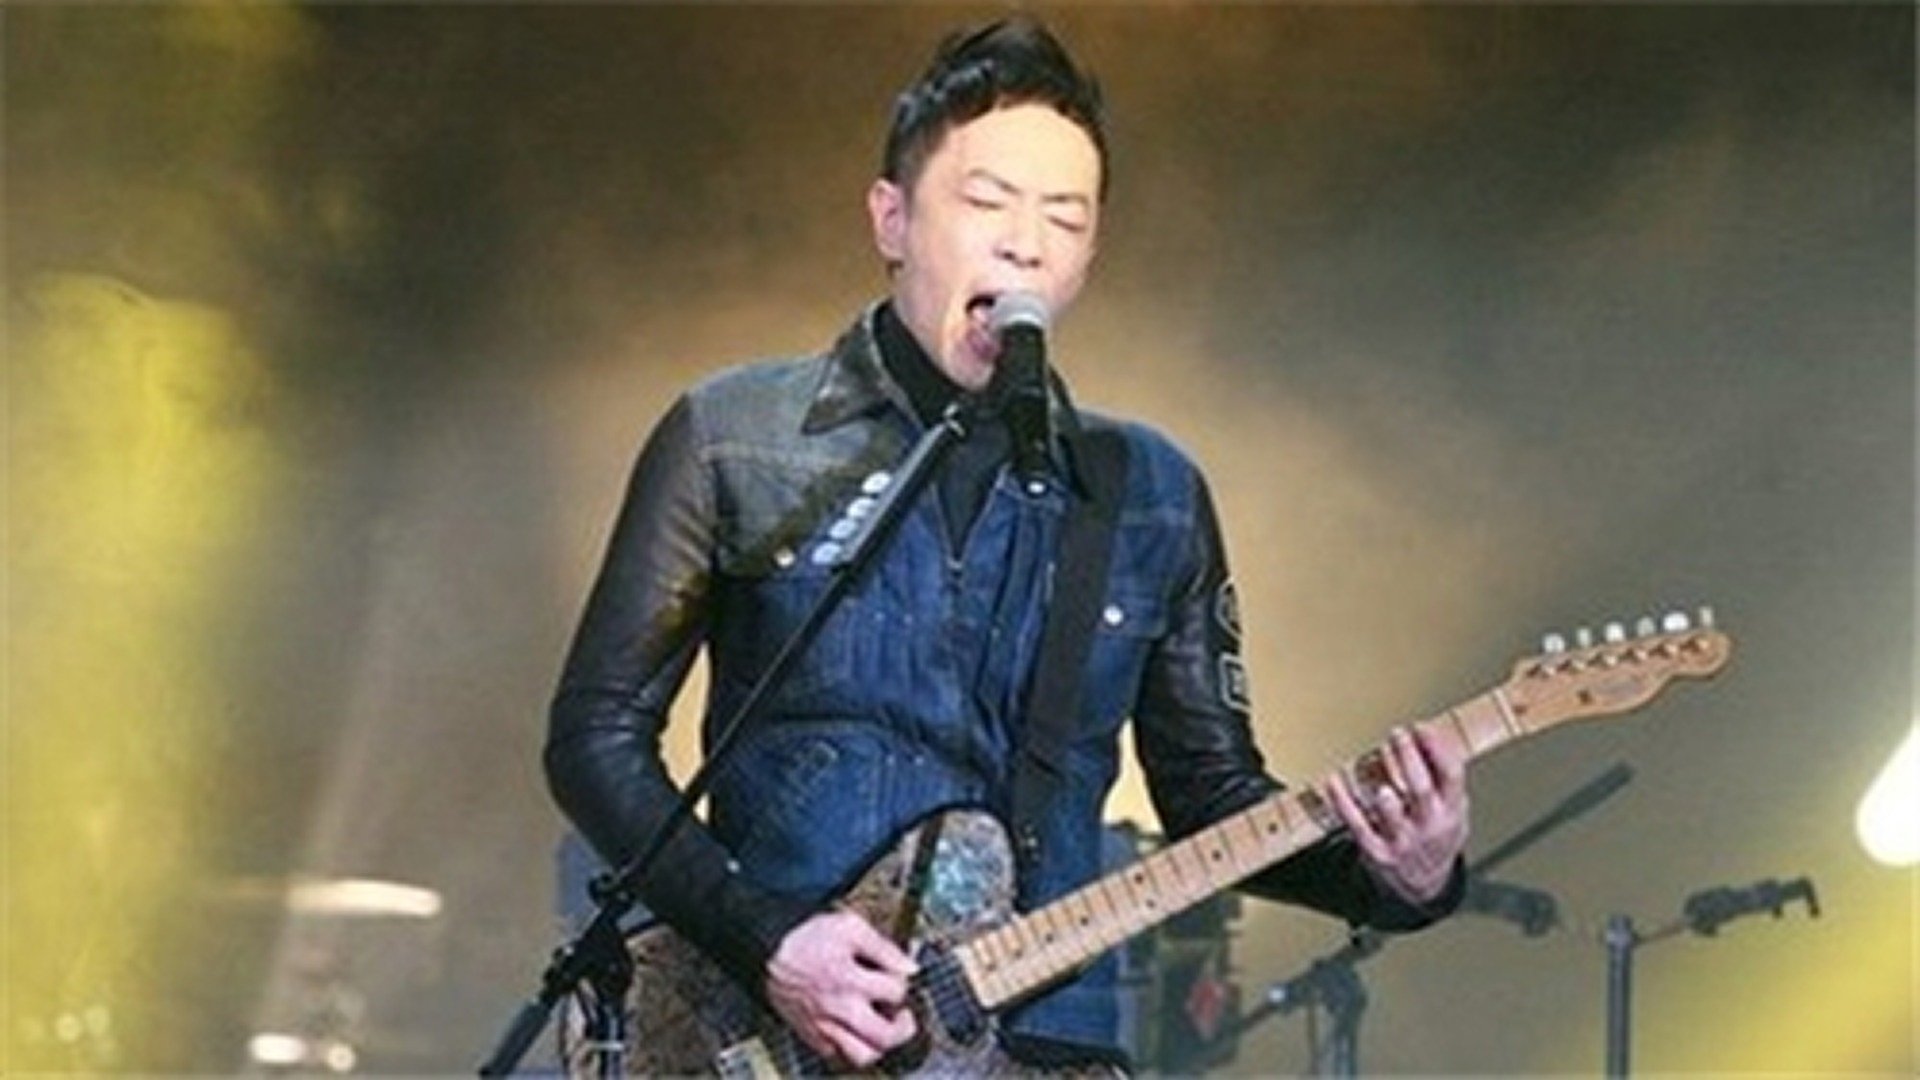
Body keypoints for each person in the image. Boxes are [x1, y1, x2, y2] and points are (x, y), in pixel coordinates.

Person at [545, 15, 1470, 1073]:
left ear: (1087, 255)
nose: (1025, 242)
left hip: (1044, 1042)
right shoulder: (736, 437)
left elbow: (1212, 796)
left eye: (1065, 218)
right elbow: (595, 735)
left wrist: (1398, 877)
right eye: (987, 202)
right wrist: (769, 941)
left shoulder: (1148, 494)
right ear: (892, 219)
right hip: (771, 1036)